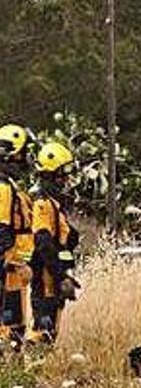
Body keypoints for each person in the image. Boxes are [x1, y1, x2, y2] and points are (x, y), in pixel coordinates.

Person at [27, 141, 79, 345]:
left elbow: (63, 241)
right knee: (42, 328)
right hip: (46, 276)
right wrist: (60, 277)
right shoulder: (42, 204)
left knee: (51, 330)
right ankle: (30, 369)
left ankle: (40, 368)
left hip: (55, 275)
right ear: (51, 176)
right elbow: (43, 243)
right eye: (62, 175)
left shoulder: (54, 205)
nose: (66, 180)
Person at [0, 125, 34, 350]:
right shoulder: (3, 187)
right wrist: (7, 263)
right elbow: (1, 228)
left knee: (14, 323)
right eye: (22, 154)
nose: (23, 161)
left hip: (14, 267)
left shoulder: (7, 185)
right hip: (8, 267)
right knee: (9, 326)